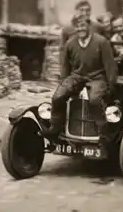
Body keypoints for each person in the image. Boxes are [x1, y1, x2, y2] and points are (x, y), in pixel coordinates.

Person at [44, 14, 118, 145]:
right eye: (78, 26)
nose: (80, 29)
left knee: (95, 100)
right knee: (57, 97)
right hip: (77, 76)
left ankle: (104, 133)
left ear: (89, 26)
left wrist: (111, 85)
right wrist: (63, 84)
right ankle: (55, 128)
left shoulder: (101, 42)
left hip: (97, 77)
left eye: (83, 25)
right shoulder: (70, 44)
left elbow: (110, 66)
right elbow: (66, 67)